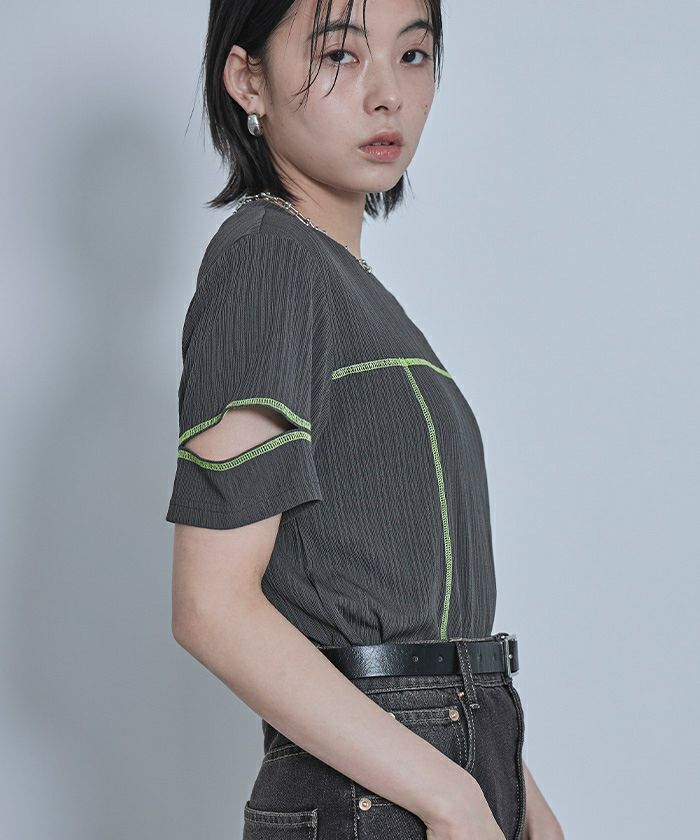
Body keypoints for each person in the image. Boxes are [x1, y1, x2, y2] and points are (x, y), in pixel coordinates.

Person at [165, 1, 564, 839]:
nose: (388, 94)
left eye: (413, 55)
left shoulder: (353, 294)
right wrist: (451, 796)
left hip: (442, 774)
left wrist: (519, 795)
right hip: (381, 797)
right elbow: (212, 605)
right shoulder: (268, 261)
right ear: (247, 79)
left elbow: (421, 619)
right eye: (340, 56)